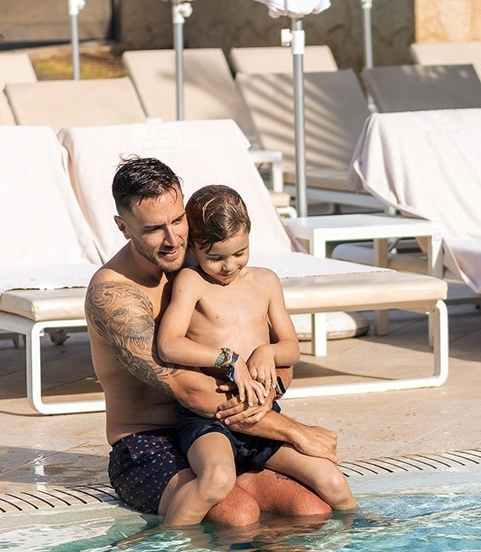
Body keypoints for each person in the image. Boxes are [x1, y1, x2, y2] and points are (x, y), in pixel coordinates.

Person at [86, 157, 339, 528]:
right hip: (149, 442)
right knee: (238, 515)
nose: (172, 240)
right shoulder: (115, 295)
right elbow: (193, 393)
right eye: (155, 229)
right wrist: (293, 432)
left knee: (311, 511)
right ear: (123, 227)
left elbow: (273, 351)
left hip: (230, 432)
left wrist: (268, 387)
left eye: (177, 220)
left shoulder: (208, 260)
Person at [152, 184, 356, 526]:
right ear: (194, 247)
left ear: (249, 236)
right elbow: (168, 344)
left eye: (239, 252)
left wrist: (267, 351)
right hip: (209, 421)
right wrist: (229, 360)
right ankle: (172, 551)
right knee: (217, 478)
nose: (229, 266)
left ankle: (362, 533)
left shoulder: (265, 282)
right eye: (215, 257)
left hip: (264, 416)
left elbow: (291, 347)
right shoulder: (191, 282)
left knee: (332, 480)